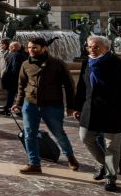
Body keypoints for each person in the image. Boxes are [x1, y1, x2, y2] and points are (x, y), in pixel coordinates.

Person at [72, 35, 121, 191]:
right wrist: (78, 107)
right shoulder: (86, 63)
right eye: (89, 47)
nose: (92, 50)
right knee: (86, 138)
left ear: (107, 48)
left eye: (96, 47)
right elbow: (82, 87)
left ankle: (110, 176)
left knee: (112, 146)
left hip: (113, 112)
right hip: (90, 110)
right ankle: (105, 164)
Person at [12, 37, 80, 174]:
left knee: (59, 133)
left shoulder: (57, 63)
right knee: (29, 134)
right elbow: (21, 85)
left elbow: (69, 85)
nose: (31, 50)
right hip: (30, 104)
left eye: (35, 47)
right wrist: (18, 103)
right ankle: (34, 164)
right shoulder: (26, 64)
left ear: (44, 48)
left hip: (52, 105)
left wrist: (71, 106)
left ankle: (70, 156)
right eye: (29, 47)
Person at [0, 41, 28, 115]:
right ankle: (9, 108)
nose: (9, 48)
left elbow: (15, 68)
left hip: (14, 79)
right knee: (14, 94)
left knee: (12, 94)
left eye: (10, 47)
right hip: (17, 79)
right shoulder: (21, 54)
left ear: (14, 47)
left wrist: (9, 76)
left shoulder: (16, 55)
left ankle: (10, 109)